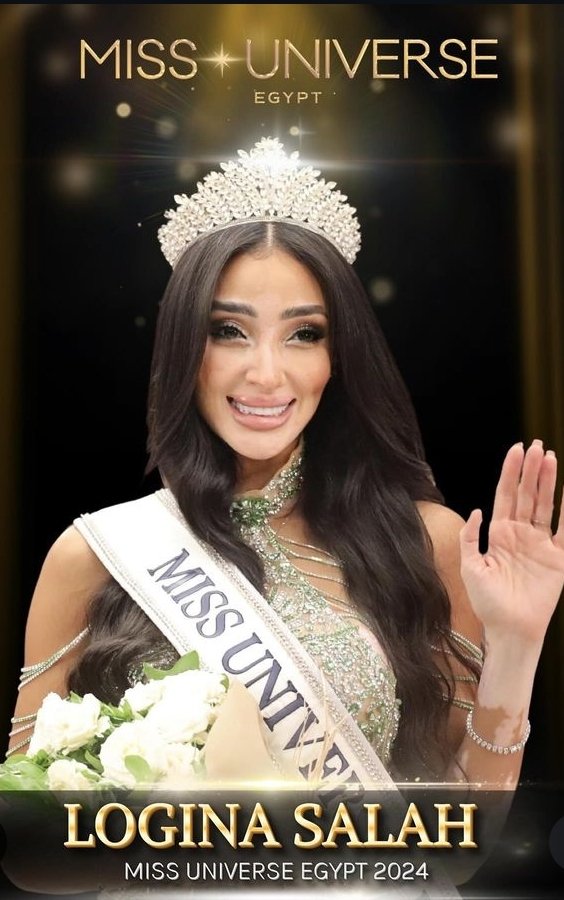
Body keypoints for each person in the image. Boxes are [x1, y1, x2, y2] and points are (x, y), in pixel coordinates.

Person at [7, 138, 564, 788]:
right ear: (184, 345)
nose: (267, 373)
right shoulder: (98, 554)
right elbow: (26, 828)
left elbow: (465, 833)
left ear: (337, 356)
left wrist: (517, 647)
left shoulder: (425, 543)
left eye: (304, 334)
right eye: (228, 331)